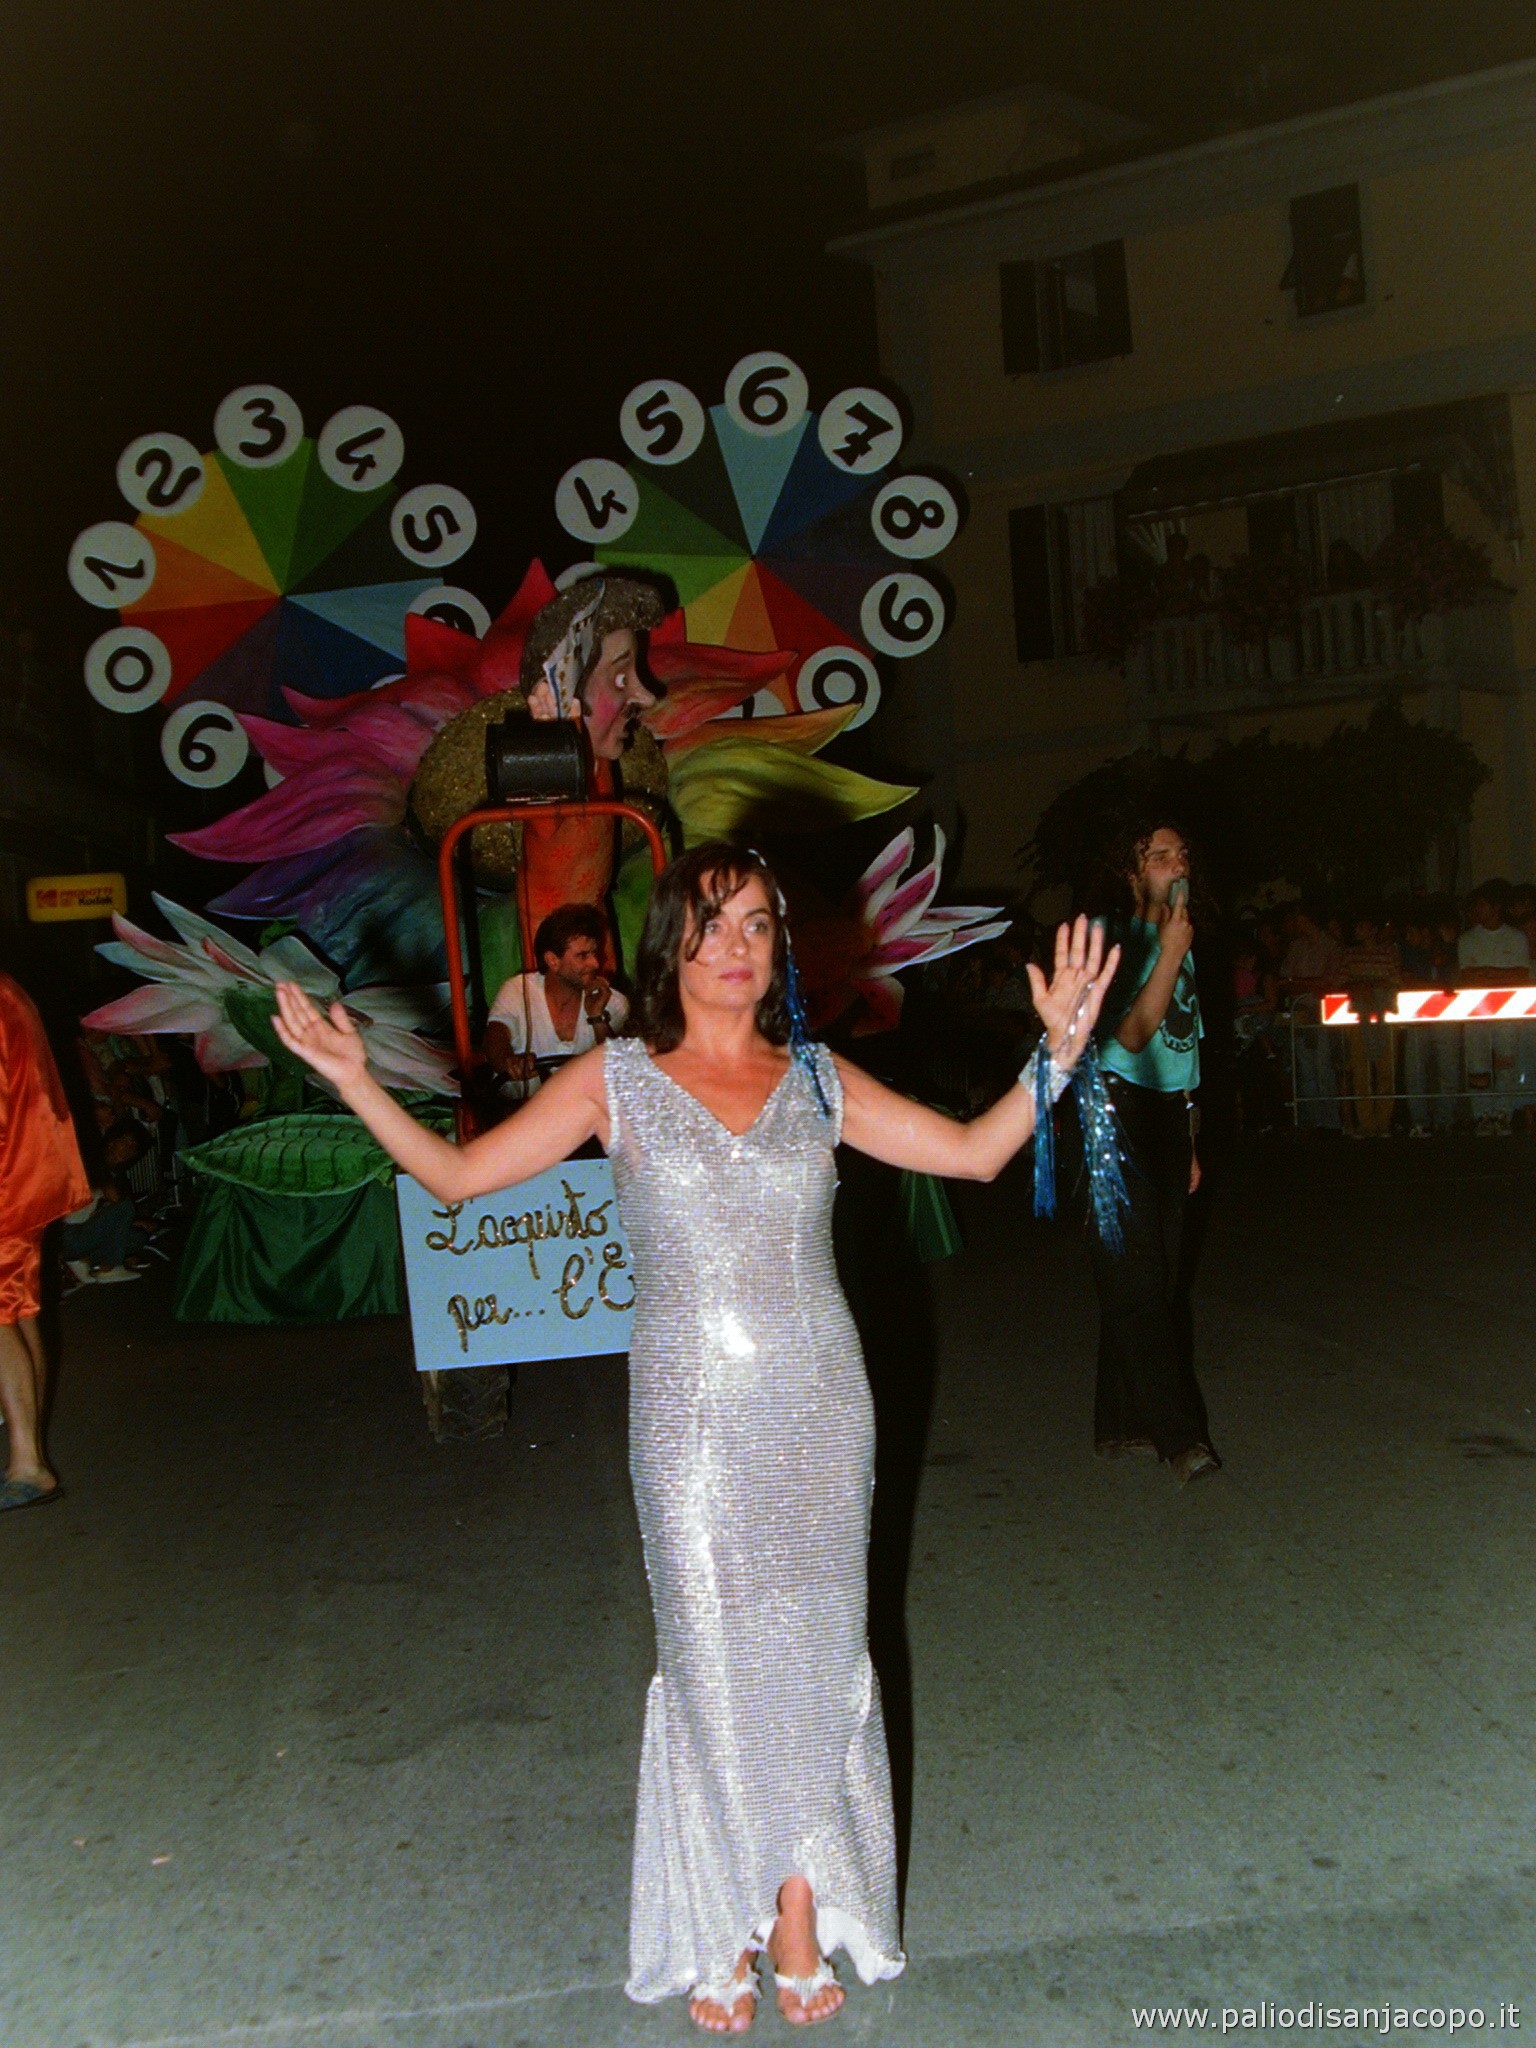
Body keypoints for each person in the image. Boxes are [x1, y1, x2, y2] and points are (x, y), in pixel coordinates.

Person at [273, 841, 1116, 2033]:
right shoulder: (615, 1079)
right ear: (672, 944)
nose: (735, 945)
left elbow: (977, 1151)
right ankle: (721, 1913)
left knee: (818, 1652)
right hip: (690, 1415)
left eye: (758, 924)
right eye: (713, 922)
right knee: (711, 1654)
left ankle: (798, 1912)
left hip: (820, 1403)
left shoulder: (818, 1078)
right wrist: (357, 1080)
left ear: (779, 950)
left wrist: (1058, 1052)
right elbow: (458, 1177)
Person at [1086, 820, 1219, 1484]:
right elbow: (1133, 1035)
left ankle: (1120, 1420)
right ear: (1132, 872)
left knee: (1153, 1278)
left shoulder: (1180, 939)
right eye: (1160, 855)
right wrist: (1168, 953)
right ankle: (1179, 1436)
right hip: (1113, 1112)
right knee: (1137, 1277)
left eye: (1182, 852)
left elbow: (1182, 1049)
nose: (1177, 863)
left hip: (1166, 1113)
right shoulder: (1112, 937)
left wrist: (1188, 1137)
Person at [0, 970, 90, 1511]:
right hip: (24, 1171)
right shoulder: (7, 989)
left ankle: (28, 1464)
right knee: (19, 1308)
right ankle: (27, 1455)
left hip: (10, 1175)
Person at [483, 903, 629, 1101]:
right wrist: (509, 1062)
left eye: (595, 953)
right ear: (553, 960)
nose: (595, 963)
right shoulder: (518, 990)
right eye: (583, 955)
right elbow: (496, 1035)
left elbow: (620, 1073)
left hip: (585, 1116)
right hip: (522, 1112)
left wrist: (597, 1018)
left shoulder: (614, 1003)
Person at [1457, 880, 1530, 1136]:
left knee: (1505, 1063)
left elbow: (1520, 974)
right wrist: (1500, 975)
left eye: (1482, 904)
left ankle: (1502, 1115)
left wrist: (1487, 973)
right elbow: (1468, 976)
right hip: (1476, 1011)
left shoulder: (1516, 937)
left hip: (1508, 1013)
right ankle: (1482, 1115)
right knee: (1478, 1064)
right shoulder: (1467, 940)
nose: (1477, 909)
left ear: (1495, 907)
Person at [1279, 901, 1343, 1131]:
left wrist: (1300, 984)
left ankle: (1331, 1122)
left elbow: (1328, 982)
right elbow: (1285, 981)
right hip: (1300, 1012)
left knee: (1323, 1066)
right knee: (1306, 1068)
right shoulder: (1296, 947)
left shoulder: (1330, 946)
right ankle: (1313, 1121)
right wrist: (1306, 985)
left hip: (1323, 1012)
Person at [1337, 909, 1401, 1138]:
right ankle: (1366, 1123)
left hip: (1384, 1015)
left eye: (1362, 926)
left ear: (1373, 930)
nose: (1358, 930)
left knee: (1386, 1070)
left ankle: (1383, 1123)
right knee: (1360, 1072)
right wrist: (1360, 987)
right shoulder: (1350, 954)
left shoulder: (1389, 953)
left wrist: (1370, 985)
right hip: (1358, 1017)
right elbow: (1341, 981)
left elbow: (1396, 980)